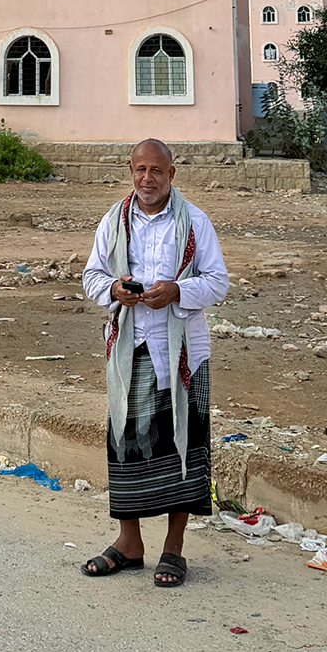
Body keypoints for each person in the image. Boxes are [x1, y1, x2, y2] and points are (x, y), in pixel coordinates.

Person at [81, 140, 229, 588]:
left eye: (156, 171)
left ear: (172, 175)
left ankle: (174, 548)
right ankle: (129, 544)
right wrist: (114, 290)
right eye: (140, 170)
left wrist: (178, 292)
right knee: (125, 442)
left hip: (183, 353)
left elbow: (218, 282)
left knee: (181, 445)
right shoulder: (113, 220)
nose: (148, 179)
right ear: (130, 171)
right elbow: (91, 278)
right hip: (131, 348)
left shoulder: (195, 222)